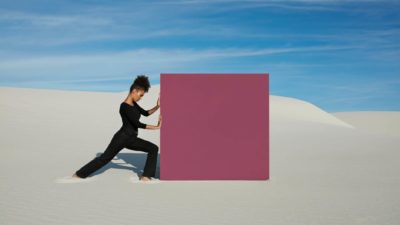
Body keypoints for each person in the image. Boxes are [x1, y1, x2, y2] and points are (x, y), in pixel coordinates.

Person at [72, 75, 162, 182]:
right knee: (104, 158)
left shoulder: (134, 105)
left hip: (131, 138)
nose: (141, 97)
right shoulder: (124, 107)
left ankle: (146, 176)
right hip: (122, 138)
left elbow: (146, 113)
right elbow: (137, 124)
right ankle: (79, 174)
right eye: (140, 95)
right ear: (134, 91)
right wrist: (157, 127)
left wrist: (157, 106)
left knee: (153, 148)